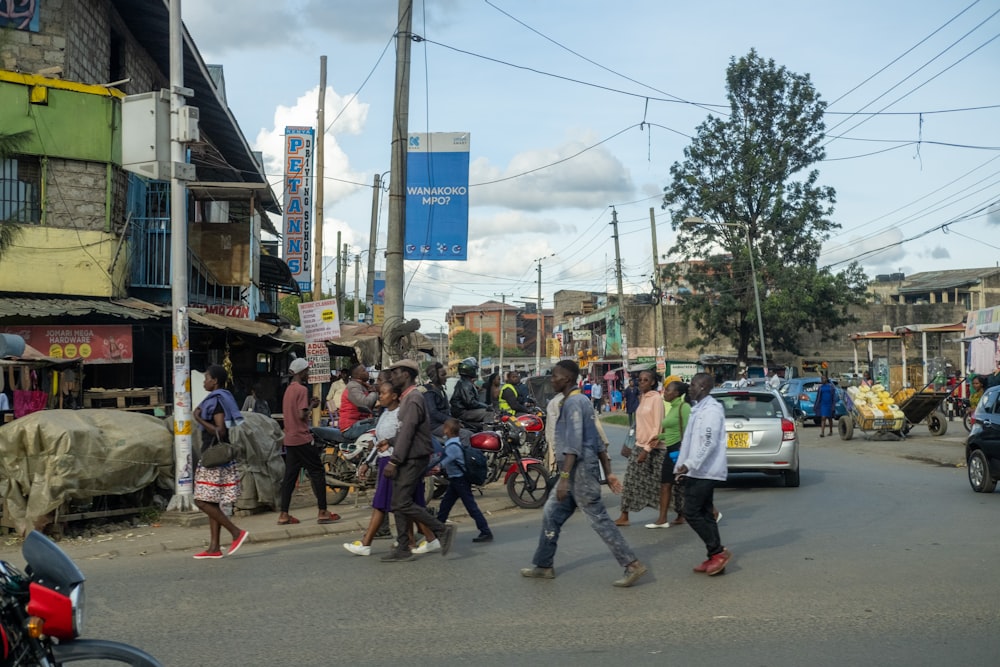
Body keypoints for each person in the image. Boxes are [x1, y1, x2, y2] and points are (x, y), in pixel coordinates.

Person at [520, 360, 648, 588]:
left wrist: (565, 479)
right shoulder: (579, 402)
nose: (552, 379)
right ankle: (543, 564)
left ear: (567, 379)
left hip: (578, 474)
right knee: (551, 513)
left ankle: (632, 564)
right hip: (575, 472)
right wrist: (608, 473)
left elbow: (574, 445)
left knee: (599, 519)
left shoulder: (574, 404)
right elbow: (598, 441)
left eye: (556, 376)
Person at [344, 382, 434, 556]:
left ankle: (366, 543)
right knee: (405, 506)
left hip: (395, 463)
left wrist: (395, 461)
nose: (380, 397)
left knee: (382, 505)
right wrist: (368, 462)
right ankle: (425, 539)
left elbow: (404, 439)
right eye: (379, 393)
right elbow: (379, 442)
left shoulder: (401, 415)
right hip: (385, 460)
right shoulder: (385, 414)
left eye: (383, 393)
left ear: (394, 396)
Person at [380, 359, 456, 562]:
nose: (392, 377)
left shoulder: (413, 398)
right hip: (409, 454)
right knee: (399, 502)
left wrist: (394, 461)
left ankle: (441, 530)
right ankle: (404, 546)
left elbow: (408, 431)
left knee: (402, 502)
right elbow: (405, 432)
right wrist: (390, 441)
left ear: (406, 375)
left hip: (413, 457)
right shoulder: (408, 398)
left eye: (395, 373)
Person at [674, 372, 732, 576]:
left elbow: (709, 442)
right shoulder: (698, 409)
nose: (689, 388)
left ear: (704, 388)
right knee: (706, 513)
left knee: (691, 512)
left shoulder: (712, 411)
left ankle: (718, 552)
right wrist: (680, 466)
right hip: (695, 470)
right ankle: (714, 555)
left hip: (706, 471)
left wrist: (689, 464)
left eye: (693, 385)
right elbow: (689, 441)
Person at [192, 364, 249, 559]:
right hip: (218, 455)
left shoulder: (216, 401)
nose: (204, 381)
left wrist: (198, 418)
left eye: (206, 378)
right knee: (212, 501)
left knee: (201, 500)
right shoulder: (223, 397)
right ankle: (214, 547)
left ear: (215, 381)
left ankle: (236, 532)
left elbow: (220, 430)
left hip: (213, 457)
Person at [278, 358, 339, 526]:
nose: (308, 373)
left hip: (290, 439)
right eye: (307, 371)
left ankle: (284, 513)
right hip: (302, 438)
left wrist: (309, 404)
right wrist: (311, 406)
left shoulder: (288, 390)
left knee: (290, 477)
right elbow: (301, 415)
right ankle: (323, 511)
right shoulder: (302, 390)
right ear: (302, 372)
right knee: (317, 472)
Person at [615, 369, 665, 527]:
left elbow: (657, 427)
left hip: (653, 449)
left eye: (645, 380)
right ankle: (624, 515)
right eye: (640, 380)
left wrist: (646, 450)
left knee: (662, 484)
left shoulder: (656, 399)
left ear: (652, 382)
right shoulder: (642, 397)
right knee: (630, 481)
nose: (641, 382)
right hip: (638, 445)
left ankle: (680, 512)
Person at [432, 418, 494, 543]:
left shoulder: (452, 447)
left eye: (445, 427)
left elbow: (444, 462)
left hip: (460, 481)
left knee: (470, 507)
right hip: (456, 480)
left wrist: (435, 467)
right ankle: (437, 532)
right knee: (445, 506)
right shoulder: (454, 443)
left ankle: (485, 531)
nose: (443, 429)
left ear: (448, 430)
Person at [646, 380, 692, 529]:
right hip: (670, 450)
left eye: (668, 390)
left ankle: (713, 512)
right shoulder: (673, 407)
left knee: (689, 486)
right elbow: (672, 431)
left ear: (677, 393)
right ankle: (662, 519)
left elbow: (687, 432)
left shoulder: (684, 408)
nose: (665, 393)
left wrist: (686, 454)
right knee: (665, 484)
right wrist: (659, 437)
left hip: (680, 451)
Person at [339, 363, 377, 438]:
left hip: (358, 423)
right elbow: (365, 403)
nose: (367, 372)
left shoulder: (362, 385)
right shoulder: (353, 386)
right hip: (351, 427)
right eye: (364, 370)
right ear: (357, 375)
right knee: (380, 427)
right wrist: (374, 392)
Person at [450, 358, 491, 425]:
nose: (476, 371)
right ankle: (487, 433)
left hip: (463, 411)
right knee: (489, 413)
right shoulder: (465, 384)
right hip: (462, 412)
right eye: (475, 369)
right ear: (470, 370)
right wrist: (486, 406)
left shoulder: (464, 382)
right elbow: (470, 402)